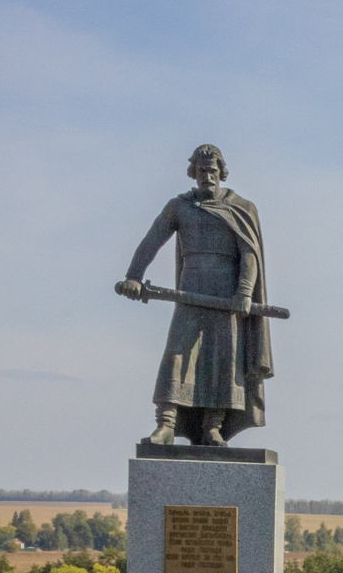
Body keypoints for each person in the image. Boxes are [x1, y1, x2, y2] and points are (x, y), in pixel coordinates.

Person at [117, 144, 273, 446]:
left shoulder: (241, 207)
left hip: (226, 298)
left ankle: (213, 426)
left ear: (222, 173)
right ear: (193, 173)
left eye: (213, 171)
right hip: (190, 293)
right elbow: (151, 241)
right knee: (177, 356)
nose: (207, 176)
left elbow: (249, 254)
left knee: (223, 361)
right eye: (202, 171)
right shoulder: (180, 206)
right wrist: (133, 277)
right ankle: (166, 425)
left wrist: (244, 291)